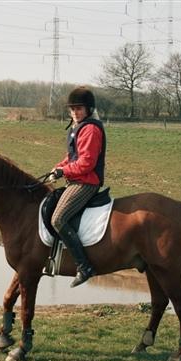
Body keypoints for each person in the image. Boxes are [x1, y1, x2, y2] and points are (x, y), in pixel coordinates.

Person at [47, 86, 106, 287]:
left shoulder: (91, 129)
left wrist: (64, 172)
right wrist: (58, 168)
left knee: (58, 219)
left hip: (87, 182)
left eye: (79, 109)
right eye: (72, 109)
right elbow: (72, 157)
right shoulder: (77, 127)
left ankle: (84, 266)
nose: (74, 112)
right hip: (77, 179)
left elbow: (86, 163)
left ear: (89, 109)